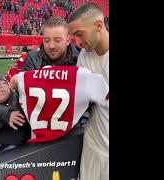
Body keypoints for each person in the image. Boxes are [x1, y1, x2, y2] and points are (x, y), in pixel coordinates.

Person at [10, 66, 109, 143]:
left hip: (39, 137)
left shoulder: (24, 77)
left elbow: (14, 82)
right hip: (69, 135)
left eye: (57, 40)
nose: (52, 45)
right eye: (47, 40)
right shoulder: (82, 73)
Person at [67, 3, 109, 180]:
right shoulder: (84, 56)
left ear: (98, 25)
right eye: (73, 36)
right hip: (93, 144)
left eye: (79, 34)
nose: (76, 42)